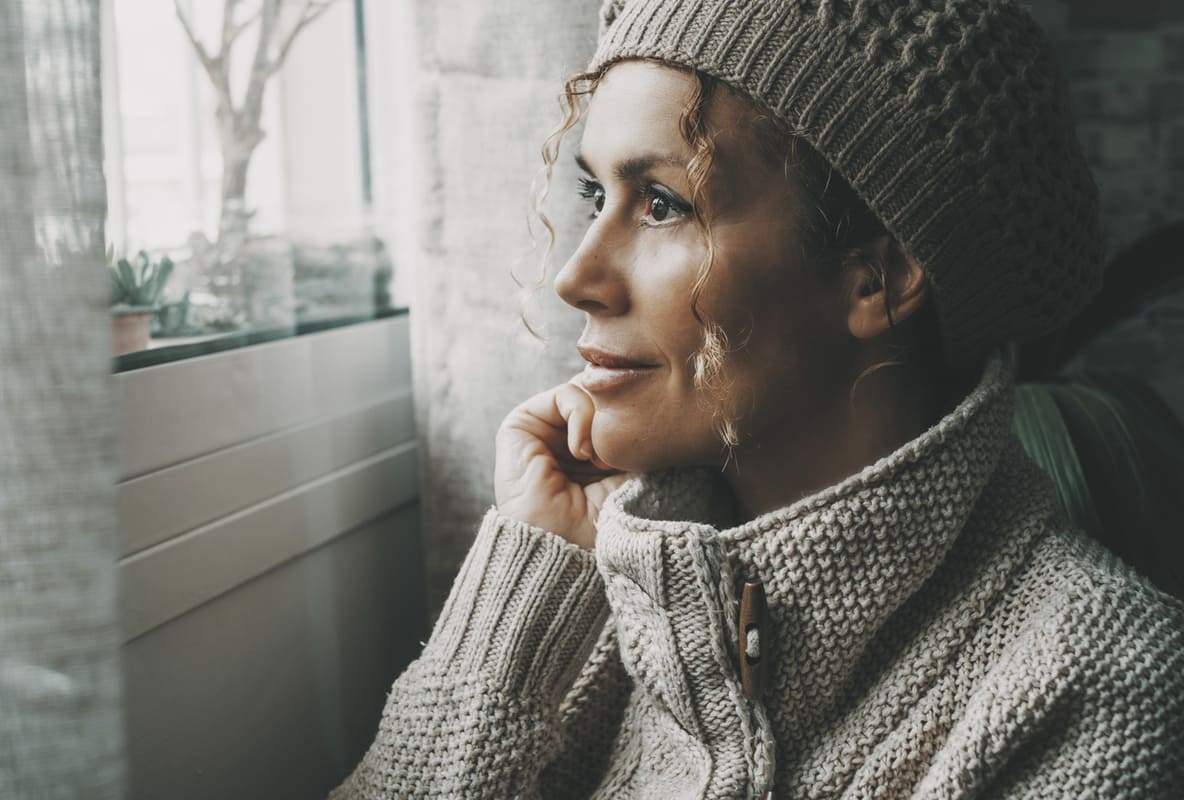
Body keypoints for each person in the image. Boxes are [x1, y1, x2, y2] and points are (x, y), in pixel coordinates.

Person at [331, 1, 1184, 797]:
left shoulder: (1097, 682)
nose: (575, 277)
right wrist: (514, 604)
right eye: (596, 196)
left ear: (876, 278)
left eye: (662, 205)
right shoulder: (588, 602)